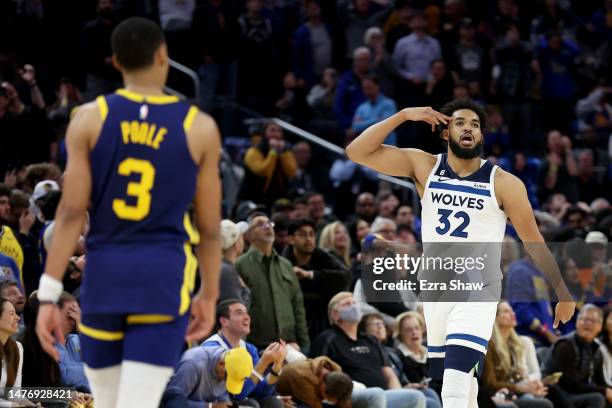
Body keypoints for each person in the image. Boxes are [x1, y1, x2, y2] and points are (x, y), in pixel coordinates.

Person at [35, 17, 222, 408]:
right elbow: (208, 226)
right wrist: (208, 292)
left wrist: (50, 295)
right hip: (162, 278)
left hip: (106, 279)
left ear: (115, 62)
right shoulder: (198, 126)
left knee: (108, 402)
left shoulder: (87, 118)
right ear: (163, 57)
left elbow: (69, 214)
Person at [346, 99, 576, 407]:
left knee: (453, 386)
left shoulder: (504, 183)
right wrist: (403, 116)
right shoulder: (424, 165)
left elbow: (534, 241)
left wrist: (562, 290)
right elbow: (356, 152)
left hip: (478, 289)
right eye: (459, 122)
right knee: (462, 384)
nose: (467, 128)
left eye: (475, 125)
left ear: (481, 136)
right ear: (445, 133)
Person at [311, 292, 427, 408]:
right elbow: (318, 373)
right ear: (335, 314)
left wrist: (398, 393)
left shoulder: (371, 340)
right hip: (349, 396)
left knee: (415, 396)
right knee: (376, 394)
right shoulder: (327, 339)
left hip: (384, 395)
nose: (354, 307)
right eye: (347, 304)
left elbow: (389, 374)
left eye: (355, 303)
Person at [236, 212, 310, 351]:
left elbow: (297, 305)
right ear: (249, 236)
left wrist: (304, 343)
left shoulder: (286, 265)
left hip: (289, 344)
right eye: (260, 224)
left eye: (269, 223)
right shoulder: (240, 265)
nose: (267, 226)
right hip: (255, 345)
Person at [201, 299, 286, 407]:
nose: (247, 317)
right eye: (239, 313)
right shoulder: (212, 348)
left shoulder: (250, 349)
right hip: (214, 402)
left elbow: (260, 392)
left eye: (247, 313)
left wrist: (277, 366)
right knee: (251, 404)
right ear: (224, 321)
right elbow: (236, 394)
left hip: (236, 399)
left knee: (273, 402)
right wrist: (263, 363)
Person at [481, 302, 553, 408]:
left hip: (509, 393)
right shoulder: (489, 345)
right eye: (506, 311)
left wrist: (529, 386)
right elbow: (490, 384)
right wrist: (521, 388)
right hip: (492, 396)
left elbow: (513, 378)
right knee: (543, 403)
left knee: (540, 395)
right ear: (494, 317)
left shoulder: (512, 343)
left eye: (511, 310)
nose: (512, 313)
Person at [541, 304, 612, 408]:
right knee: (597, 398)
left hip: (574, 392)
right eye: (584, 319)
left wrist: (608, 390)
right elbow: (571, 384)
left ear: (600, 327)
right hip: (557, 393)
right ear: (577, 322)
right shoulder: (565, 345)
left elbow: (600, 381)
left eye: (593, 321)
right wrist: (605, 391)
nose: (588, 324)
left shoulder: (596, 350)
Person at [277, 358, 353, 408]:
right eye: (330, 399)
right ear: (323, 388)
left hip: (308, 393)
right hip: (285, 397)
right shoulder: (303, 379)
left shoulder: (336, 369)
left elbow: (344, 400)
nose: (332, 401)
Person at [219, 219, 251, 306]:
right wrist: (245, 290)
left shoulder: (219, 267)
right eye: (240, 237)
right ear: (237, 245)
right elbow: (237, 311)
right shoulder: (227, 271)